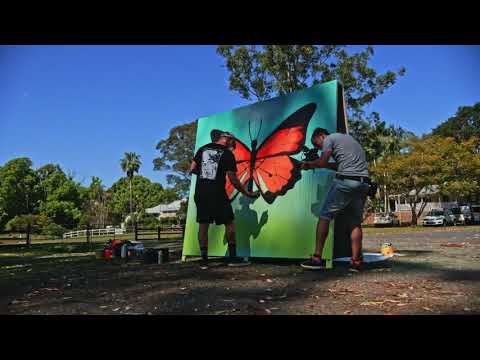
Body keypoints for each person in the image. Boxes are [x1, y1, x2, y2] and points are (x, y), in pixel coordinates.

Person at [299, 128, 370, 270]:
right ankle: (356, 261)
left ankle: (317, 258)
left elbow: (322, 161)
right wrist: (319, 163)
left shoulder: (329, 139)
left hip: (346, 182)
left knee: (324, 216)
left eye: (317, 144)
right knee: (355, 222)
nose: (318, 148)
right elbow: (336, 165)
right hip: (363, 183)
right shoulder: (348, 140)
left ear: (321, 136)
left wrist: (308, 165)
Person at [190, 131, 259, 266]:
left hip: (201, 192)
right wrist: (247, 193)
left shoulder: (202, 149)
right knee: (229, 223)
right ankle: (233, 258)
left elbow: (192, 168)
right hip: (217, 193)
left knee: (203, 225)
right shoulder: (227, 154)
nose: (233, 145)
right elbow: (233, 179)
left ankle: (204, 261)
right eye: (233, 142)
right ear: (227, 139)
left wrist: (206, 175)